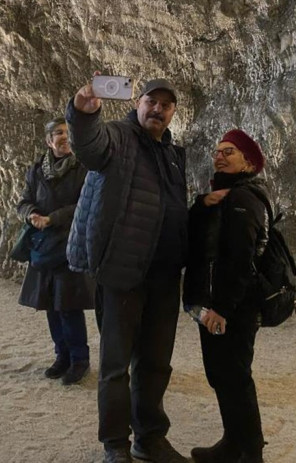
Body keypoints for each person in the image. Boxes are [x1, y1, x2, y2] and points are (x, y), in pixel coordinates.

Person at [66, 76, 189, 463]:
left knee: (156, 363)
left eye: (166, 105)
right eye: (152, 101)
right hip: (122, 271)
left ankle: (150, 438)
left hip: (164, 276)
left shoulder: (174, 154)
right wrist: (83, 112)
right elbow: (89, 146)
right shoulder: (118, 137)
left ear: (173, 112)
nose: (158, 110)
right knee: (116, 365)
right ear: (138, 103)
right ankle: (116, 444)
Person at [183, 129, 270, 463]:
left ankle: (251, 453)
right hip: (220, 304)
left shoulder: (241, 199)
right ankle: (233, 444)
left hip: (233, 308)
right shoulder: (224, 195)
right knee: (222, 375)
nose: (219, 156)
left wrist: (221, 308)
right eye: (218, 151)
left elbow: (240, 260)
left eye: (229, 151)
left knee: (235, 378)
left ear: (247, 162)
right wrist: (201, 204)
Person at [17, 117, 93, 385]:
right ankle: (62, 356)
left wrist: (53, 218)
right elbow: (24, 202)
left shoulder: (84, 168)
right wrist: (32, 215)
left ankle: (79, 360)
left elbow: (86, 204)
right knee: (51, 305)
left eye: (68, 132)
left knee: (69, 305)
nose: (65, 137)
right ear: (49, 141)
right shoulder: (37, 170)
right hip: (44, 247)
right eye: (59, 133)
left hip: (70, 245)